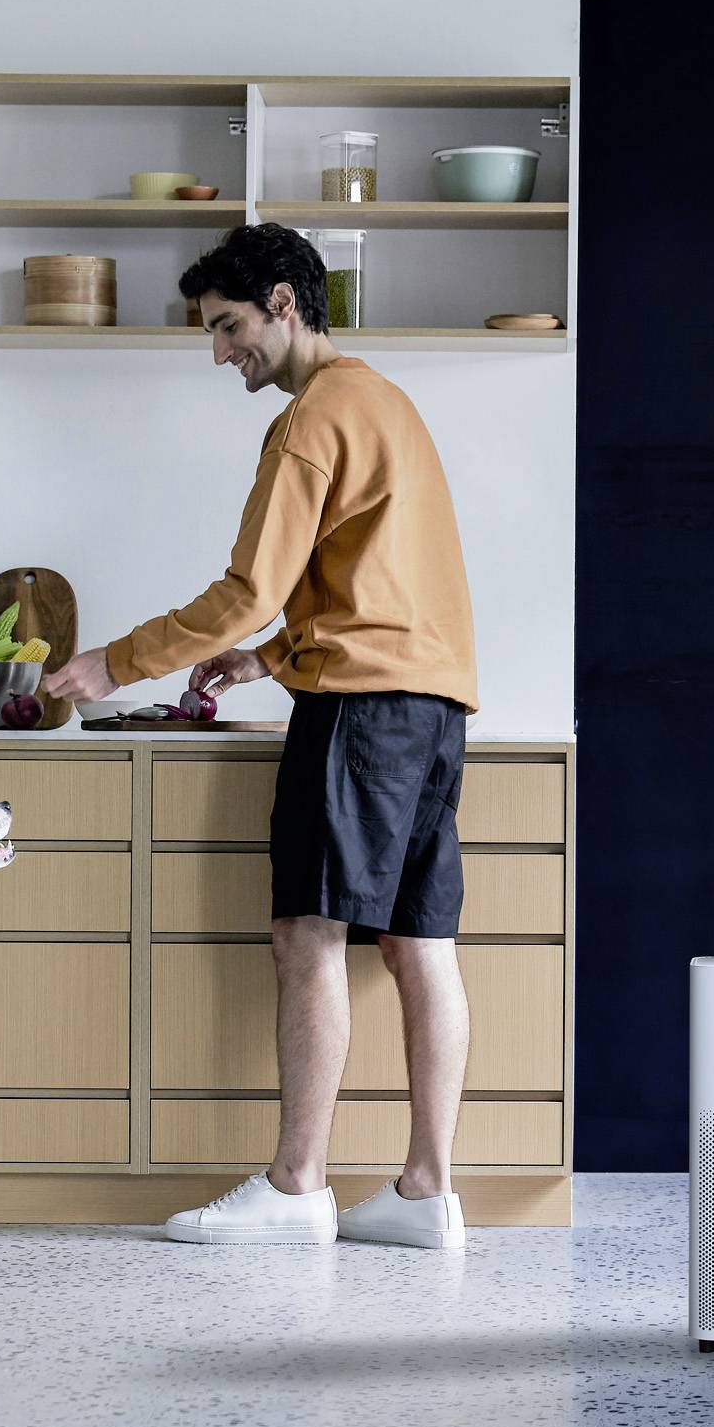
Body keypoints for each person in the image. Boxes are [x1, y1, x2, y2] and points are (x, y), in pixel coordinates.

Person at [42, 224, 479, 1249]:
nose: (217, 351)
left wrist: (110, 663)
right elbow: (376, 586)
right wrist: (272, 660)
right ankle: (428, 1193)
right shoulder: (385, 401)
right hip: (433, 706)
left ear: (284, 302)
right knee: (421, 945)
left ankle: (295, 1187)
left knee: (307, 935)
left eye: (228, 326)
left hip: (362, 716)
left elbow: (248, 589)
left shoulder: (309, 419)